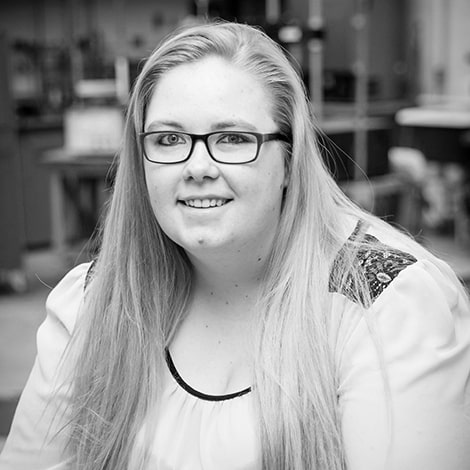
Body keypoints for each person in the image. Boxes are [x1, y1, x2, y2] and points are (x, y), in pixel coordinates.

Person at [1, 21, 469, 470]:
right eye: (168, 139)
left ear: (290, 160)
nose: (197, 166)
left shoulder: (383, 303)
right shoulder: (94, 302)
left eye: (232, 138)